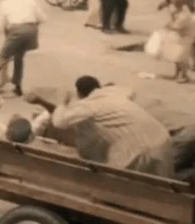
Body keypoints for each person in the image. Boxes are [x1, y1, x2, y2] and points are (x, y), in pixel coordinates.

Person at [33, 75, 173, 177]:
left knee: (112, 180)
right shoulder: (117, 94)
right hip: (162, 139)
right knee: (162, 185)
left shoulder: (89, 105)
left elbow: (59, 122)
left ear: (79, 93)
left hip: (137, 148)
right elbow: (130, 90)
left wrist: (62, 102)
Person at [0, 0, 44, 96]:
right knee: (19, 57)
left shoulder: (5, 4)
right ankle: (17, 85)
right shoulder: (30, 1)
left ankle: (3, 80)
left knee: (3, 56)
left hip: (15, 30)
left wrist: (9, 34)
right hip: (31, 29)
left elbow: (2, 25)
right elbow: (42, 18)